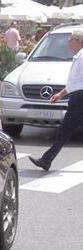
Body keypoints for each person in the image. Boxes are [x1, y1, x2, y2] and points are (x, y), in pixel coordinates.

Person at [29, 30, 83, 171]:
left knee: (64, 130)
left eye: (71, 39)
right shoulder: (78, 57)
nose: (68, 42)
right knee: (65, 131)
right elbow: (74, 82)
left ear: (79, 41)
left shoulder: (82, 57)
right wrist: (60, 94)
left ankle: (46, 160)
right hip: (77, 97)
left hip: (80, 98)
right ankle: (46, 160)